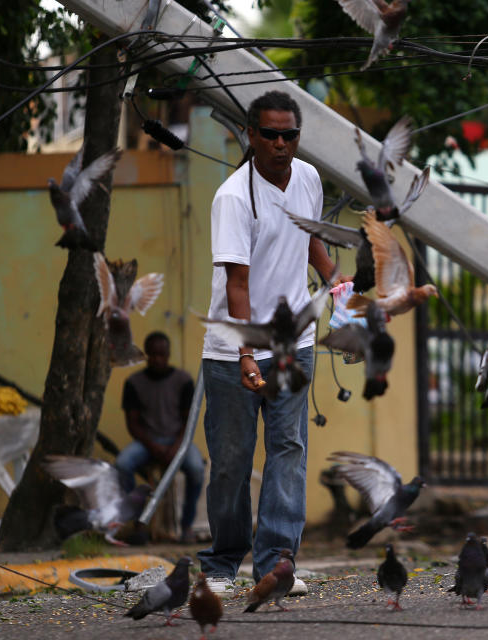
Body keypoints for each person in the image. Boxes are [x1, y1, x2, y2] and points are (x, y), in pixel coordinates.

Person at [199, 90, 342, 594]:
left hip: (292, 345)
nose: (282, 144)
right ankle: (220, 566)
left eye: (290, 135)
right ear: (252, 136)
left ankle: (277, 564)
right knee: (232, 462)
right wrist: (243, 354)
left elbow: (308, 238)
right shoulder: (234, 197)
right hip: (232, 352)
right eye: (272, 134)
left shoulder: (308, 178)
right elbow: (237, 283)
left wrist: (334, 278)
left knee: (287, 449)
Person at [117, 331, 204, 543]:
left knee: (197, 469)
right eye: (153, 354)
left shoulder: (183, 381)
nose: (157, 359)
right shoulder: (134, 383)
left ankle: (186, 527)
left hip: (178, 441)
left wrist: (176, 447)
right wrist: (153, 446)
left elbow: (188, 421)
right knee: (122, 464)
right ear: (146, 354)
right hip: (147, 442)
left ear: (168, 354)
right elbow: (133, 423)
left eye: (161, 354)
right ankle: (138, 524)